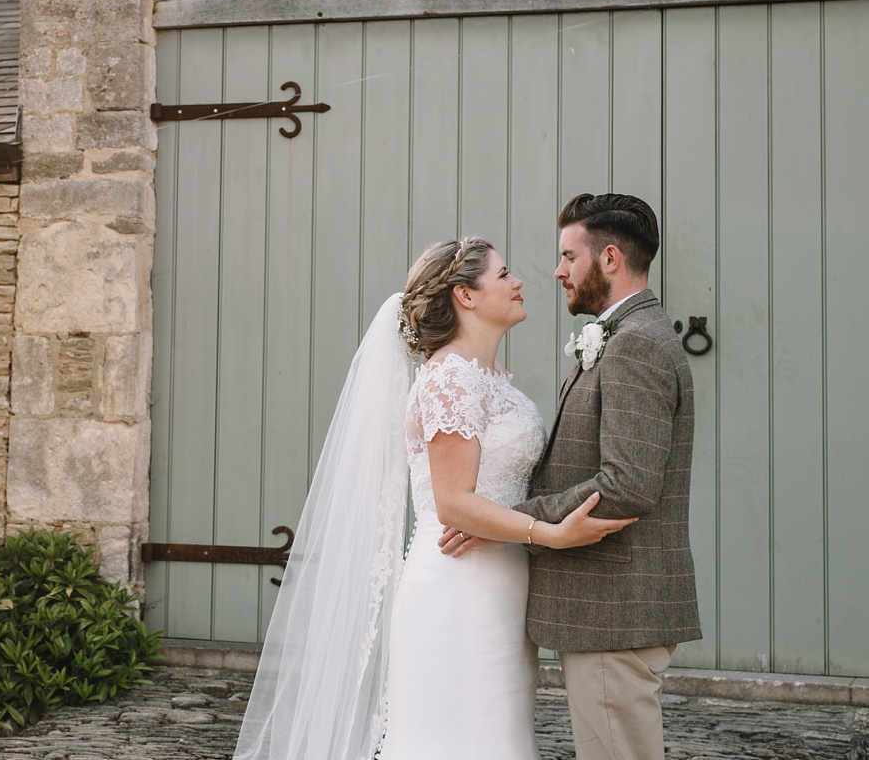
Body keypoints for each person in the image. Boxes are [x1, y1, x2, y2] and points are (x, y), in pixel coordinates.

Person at [233, 237, 633, 760]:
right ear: (465, 295)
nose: (518, 283)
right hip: (458, 583)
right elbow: (453, 504)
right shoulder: (449, 379)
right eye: (504, 274)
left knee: (501, 736)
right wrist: (552, 533)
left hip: (505, 584)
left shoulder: (494, 381)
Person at [443, 193, 700, 760]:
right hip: (608, 610)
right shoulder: (626, 337)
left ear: (609, 258)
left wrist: (512, 521)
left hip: (616, 610)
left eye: (568, 256)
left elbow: (628, 483)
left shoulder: (634, 344)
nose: (556, 271)